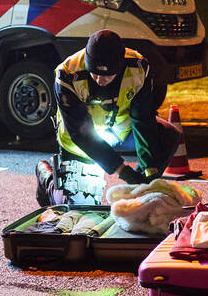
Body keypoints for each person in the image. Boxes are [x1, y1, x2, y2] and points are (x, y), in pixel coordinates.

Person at [41, 29, 181, 202]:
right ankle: (47, 180)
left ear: (120, 66)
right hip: (81, 142)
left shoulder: (138, 68)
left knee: (169, 134)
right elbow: (80, 133)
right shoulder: (67, 74)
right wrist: (122, 169)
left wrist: (149, 170)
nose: (100, 80)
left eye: (107, 76)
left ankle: (135, 192)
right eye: (95, 74)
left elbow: (143, 119)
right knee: (80, 207)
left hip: (118, 132)